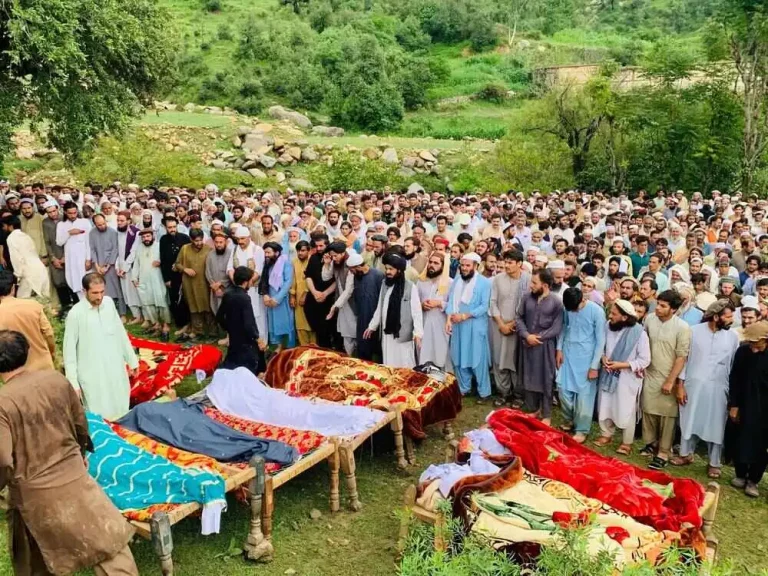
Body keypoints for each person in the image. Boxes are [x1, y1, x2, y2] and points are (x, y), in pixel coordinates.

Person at [0, 330, 138, 576]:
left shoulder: (3, 402)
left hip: (34, 492)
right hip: (73, 475)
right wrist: (81, 452)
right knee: (109, 545)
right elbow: (80, 423)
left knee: (32, 556)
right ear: (26, 352)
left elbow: (3, 460)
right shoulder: (56, 380)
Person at [674, 299, 739, 478]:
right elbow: (685, 360)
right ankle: (685, 454)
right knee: (689, 419)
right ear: (716, 317)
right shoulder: (694, 331)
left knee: (716, 424)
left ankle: (714, 462)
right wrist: (680, 386)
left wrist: (732, 394)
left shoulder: (733, 337)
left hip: (719, 387)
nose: (731, 320)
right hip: (693, 385)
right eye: (728, 316)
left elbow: (733, 366)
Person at [63, 273, 139, 420]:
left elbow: (120, 333)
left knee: (122, 405)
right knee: (100, 413)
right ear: (84, 291)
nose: (99, 297)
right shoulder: (75, 314)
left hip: (115, 367)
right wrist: (73, 382)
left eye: (102, 292)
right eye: (95, 293)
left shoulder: (108, 303)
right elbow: (69, 352)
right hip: (92, 374)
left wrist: (132, 360)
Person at [641, 289, 691, 470]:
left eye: (663, 306)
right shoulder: (649, 319)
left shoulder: (682, 327)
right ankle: (651, 443)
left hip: (669, 376)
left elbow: (681, 357)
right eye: (658, 304)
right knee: (648, 409)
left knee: (667, 416)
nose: (658, 308)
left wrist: (671, 381)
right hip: (649, 373)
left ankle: (663, 452)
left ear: (674, 309)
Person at [594, 299, 651, 455]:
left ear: (625, 317)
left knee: (626, 409)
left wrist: (622, 365)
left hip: (627, 377)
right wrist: (603, 357)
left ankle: (626, 442)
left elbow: (645, 360)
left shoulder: (639, 333)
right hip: (608, 373)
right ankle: (606, 434)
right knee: (605, 403)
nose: (610, 316)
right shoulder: (608, 326)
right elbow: (601, 346)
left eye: (614, 314)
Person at [556, 287, 606, 443]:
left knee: (584, 397)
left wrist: (594, 366)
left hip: (587, 358)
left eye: (575, 308)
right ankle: (569, 420)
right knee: (563, 391)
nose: (573, 311)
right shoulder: (568, 308)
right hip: (567, 354)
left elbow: (601, 341)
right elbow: (564, 328)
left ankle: (582, 429)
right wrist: (559, 349)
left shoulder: (597, 311)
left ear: (583, 299)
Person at [516, 268, 564, 425]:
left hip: (545, 347)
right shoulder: (526, 298)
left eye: (534, 283)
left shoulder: (556, 302)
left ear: (545, 285)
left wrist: (538, 338)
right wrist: (526, 335)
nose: (531, 285)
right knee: (528, 376)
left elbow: (557, 327)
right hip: (527, 344)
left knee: (546, 379)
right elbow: (519, 317)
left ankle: (546, 414)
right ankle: (533, 409)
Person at [728, 321, 768, 497]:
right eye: (750, 342)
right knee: (740, 439)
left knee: (761, 445)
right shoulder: (743, 352)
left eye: (756, 342)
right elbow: (735, 378)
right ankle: (740, 474)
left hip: (765, 409)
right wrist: (734, 405)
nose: (752, 346)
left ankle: (753, 480)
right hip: (744, 404)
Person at [446, 253, 492, 401]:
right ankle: (464, 388)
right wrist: (449, 319)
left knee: (477, 358)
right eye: (462, 265)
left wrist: (465, 315)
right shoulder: (457, 280)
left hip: (475, 325)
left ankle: (484, 392)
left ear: (476, 266)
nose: (464, 268)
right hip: (458, 325)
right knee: (459, 356)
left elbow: (484, 306)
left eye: (468, 265)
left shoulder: (484, 283)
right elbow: (451, 301)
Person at [364, 252, 423, 368]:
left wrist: (418, 334)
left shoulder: (410, 287)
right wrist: (372, 326)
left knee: (405, 364)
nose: (388, 272)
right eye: (386, 269)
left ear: (399, 270)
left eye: (391, 269)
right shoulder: (384, 284)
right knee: (389, 362)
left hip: (403, 334)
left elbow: (417, 313)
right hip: (387, 333)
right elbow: (380, 308)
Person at [489, 250, 528, 407]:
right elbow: (492, 302)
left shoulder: (527, 280)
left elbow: (526, 306)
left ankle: (518, 395)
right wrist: (501, 324)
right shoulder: (498, 279)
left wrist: (512, 324)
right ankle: (503, 392)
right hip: (499, 325)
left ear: (519, 264)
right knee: (499, 359)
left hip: (517, 327)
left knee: (515, 360)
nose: (506, 265)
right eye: (505, 262)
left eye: (510, 262)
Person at [0, 270, 55, 371]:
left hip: (14, 372)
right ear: (13, 288)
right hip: (43, 364)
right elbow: (49, 334)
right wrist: (52, 352)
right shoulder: (33, 305)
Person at [217, 266, 266, 375]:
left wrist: (229, 328)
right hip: (246, 340)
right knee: (257, 358)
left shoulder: (228, 294)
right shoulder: (244, 298)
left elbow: (219, 316)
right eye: (251, 280)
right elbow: (249, 323)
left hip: (234, 337)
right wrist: (258, 339)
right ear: (245, 282)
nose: (252, 283)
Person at [227, 226, 267, 350]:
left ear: (249, 237)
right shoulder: (234, 249)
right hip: (239, 289)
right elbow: (230, 268)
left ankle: (262, 342)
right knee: (242, 315)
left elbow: (258, 271)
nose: (240, 241)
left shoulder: (257, 250)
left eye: (243, 238)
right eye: (238, 239)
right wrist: (237, 283)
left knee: (257, 315)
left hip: (253, 289)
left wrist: (247, 284)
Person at [174, 228, 213, 341]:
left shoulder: (208, 250)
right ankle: (198, 331)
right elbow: (177, 263)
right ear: (191, 239)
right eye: (196, 241)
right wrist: (185, 269)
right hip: (189, 284)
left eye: (201, 240)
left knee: (208, 308)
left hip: (204, 284)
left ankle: (212, 333)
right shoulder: (185, 249)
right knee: (193, 307)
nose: (199, 243)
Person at [133, 228, 171, 339]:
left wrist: (160, 262)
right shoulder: (139, 248)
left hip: (157, 279)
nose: (146, 239)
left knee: (161, 301)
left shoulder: (159, 246)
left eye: (148, 236)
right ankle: (156, 324)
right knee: (148, 303)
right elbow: (136, 264)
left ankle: (166, 325)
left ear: (153, 236)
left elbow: (167, 260)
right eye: (143, 237)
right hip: (144, 280)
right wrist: (134, 278)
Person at [416, 251, 452, 370]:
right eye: (430, 262)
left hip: (441, 325)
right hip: (423, 324)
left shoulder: (450, 283)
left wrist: (439, 303)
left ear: (443, 266)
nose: (432, 265)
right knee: (423, 354)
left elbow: (454, 306)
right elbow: (414, 302)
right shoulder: (421, 281)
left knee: (440, 355)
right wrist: (422, 305)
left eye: (436, 263)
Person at [43, 201, 78, 316]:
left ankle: (77, 308)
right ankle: (66, 310)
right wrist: (53, 258)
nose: (53, 214)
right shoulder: (45, 223)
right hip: (55, 256)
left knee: (72, 281)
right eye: (49, 212)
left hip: (70, 255)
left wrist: (65, 256)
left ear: (58, 209)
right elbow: (47, 242)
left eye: (54, 211)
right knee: (59, 283)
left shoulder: (66, 219)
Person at [1, 215, 49, 299]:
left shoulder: (11, 238)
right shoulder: (26, 235)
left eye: (4, 226)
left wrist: (18, 274)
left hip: (27, 271)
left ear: (10, 226)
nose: (3, 228)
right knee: (43, 299)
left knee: (23, 299)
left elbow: (16, 258)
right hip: (40, 268)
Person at [159, 216, 191, 337]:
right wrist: (166, 278)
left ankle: (188, 324)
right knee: (174, 299)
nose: (172, 229)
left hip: (184, 273)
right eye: (169, 227)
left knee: (185, 299)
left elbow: (189, 256)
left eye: (174, 227)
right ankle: (180, 324)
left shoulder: (184, 238)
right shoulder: (163, 239)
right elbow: (163, 259)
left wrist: (179, 265)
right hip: (171, 276)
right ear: (165, 228)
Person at [260, 241, 295, 349]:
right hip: (270, 297)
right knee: (273, 323)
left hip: (282, 298)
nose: (266, 255)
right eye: (265, 253)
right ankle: (278, 346)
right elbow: (264, 279)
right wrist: (265, 295)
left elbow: (288, 282)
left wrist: (277, 299)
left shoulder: (286, 263)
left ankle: (289, 347)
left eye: (269, 252)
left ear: (277, 253)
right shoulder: (267, 263)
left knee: (286, 323)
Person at [325, 243, 358, 356]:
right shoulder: (335, 262)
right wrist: (327, 264)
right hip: (341, 303)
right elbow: (326, 277)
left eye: (336, 256)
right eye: (332, 256)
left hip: (352, 304)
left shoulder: (350, 264)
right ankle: (349, 356)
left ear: (343, 253)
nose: (334, 258)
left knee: (354, 332)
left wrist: (335, 306)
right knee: (346, 333)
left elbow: (349, 290)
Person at [89, 214, 124, 316]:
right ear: (95, 224)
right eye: (99, 225)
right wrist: (97, 266)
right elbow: (92, 250)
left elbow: (115, 249)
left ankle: (122, 313)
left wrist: (107, 266)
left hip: (111, 265)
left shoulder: (113, 232)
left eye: (103, 223)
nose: (102, 226)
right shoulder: (92, 233)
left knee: (117, 289)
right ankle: (106, 312)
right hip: (98, 266)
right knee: (102, 289)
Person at [56, 201, 91, 301]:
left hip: (83, 257)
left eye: (74, 212)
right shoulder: (61, 224)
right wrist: (69, 233)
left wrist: (88, 259)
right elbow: (59, 242)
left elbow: (89, 241)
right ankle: (83, 303)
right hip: (71, 258)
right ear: (65, 212)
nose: (72, 215)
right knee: (74, 281)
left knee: (87, 281)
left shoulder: (84, 222)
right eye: (70, 213)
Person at [115, 211, 143, 324]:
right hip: (121, 266)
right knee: (126, 292)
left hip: (132, 266)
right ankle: (136, 315)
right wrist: (118, 267)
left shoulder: (136, 233)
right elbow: (117, 251)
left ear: (128, 221)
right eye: (118, 220)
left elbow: (133, 252)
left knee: (133, 292)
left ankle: (139, 316)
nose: (119, 223)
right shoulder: (117, 232)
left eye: (122, 221)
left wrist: (125, 268)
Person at [290, 240, 315, 346]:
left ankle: (314, 349)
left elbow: (314, 280)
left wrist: (305, 294)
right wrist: (292, 296)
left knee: (311, 323)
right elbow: (293, 280)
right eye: (298, 251)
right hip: (298, 296)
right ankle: (304, 348)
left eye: (303, 250)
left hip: (311, 296)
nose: (300, 253)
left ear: (309, 251)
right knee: (300, 324)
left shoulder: (313, 261)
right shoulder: (294, 262)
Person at [205, 232, 232, 316]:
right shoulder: (210, 254)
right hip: (214, 289)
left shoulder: (231, 254)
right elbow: (207, 271)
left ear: (225, 242)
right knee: (216, 310)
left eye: (221, 242)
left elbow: (232, 272)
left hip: (228, 289)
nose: (218, 245)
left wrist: (221, 284)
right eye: (216, 242)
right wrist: (214, 285)